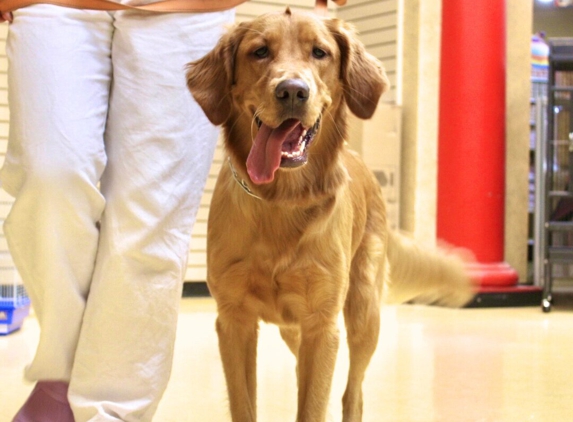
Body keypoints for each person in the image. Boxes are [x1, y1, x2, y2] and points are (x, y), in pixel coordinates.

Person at [0, 1, 238, 420]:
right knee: (50, 174)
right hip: (56, 6)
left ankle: (110, 410)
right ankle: (64, 372)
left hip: (187, 8)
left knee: (150, 219)